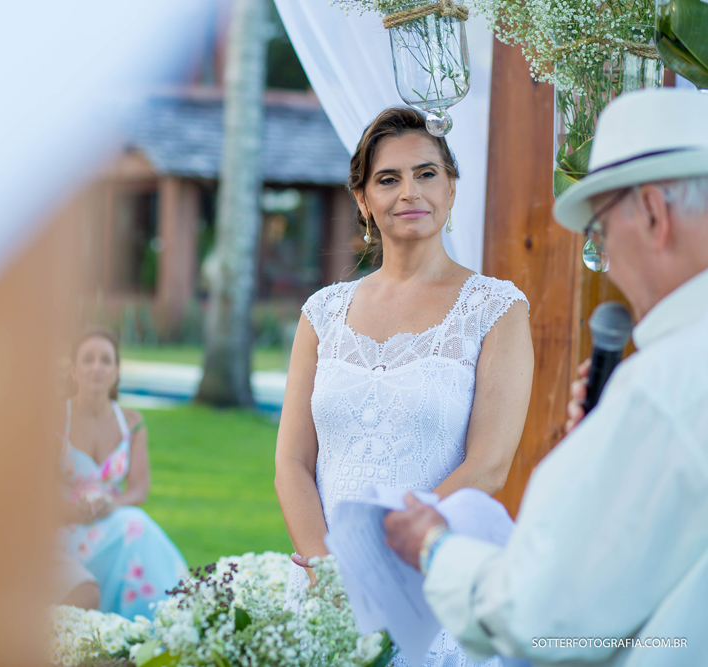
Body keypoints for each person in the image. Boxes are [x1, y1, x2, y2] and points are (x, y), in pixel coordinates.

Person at [384, 89, 708, 665]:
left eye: (600, 231)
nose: (602, 252)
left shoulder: (664, 387)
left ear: (655, 215)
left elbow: (542, 615)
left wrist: (434, 547)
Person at [274, 106, 534, 667]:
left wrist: (382, 560)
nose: (409, 191)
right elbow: (292, 461)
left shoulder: (496, 309)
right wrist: (329, 570)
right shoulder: (322, 312)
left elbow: (489, 464)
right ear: (364, 200)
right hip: (324, 585)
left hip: (429, 580)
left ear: (452, 187)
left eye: (426, 173)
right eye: (388, 179)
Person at [61, 327, 188, 619]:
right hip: (63, 529)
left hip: (111, 520)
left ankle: (172, 615)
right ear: (73, 369)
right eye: (88, 359)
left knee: (134, 523)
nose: (97, 368)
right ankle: (167, 619)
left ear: (117, 370)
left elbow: (139, 489)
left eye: (106, 360)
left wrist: (111, 504)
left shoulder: (131, 422)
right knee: (136, 526)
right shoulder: (56, 419)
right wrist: (73, 510)